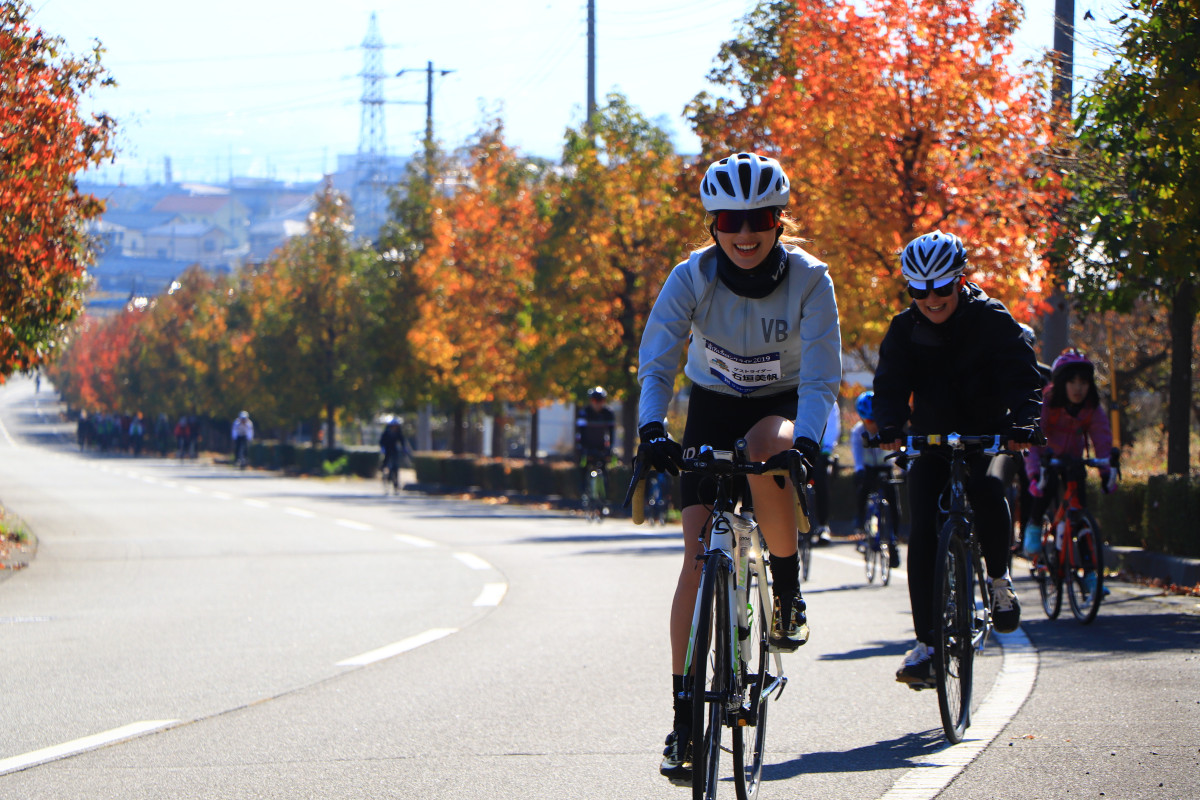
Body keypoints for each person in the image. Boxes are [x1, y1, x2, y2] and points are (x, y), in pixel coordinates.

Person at [633, 152, 841, 784]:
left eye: (759, 218)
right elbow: (659, 359)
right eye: (730, 220)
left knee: (767, 452)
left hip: (782, 406)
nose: (744, 233)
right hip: (712, 408)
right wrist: (650, 428)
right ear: (713, 223)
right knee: (697, 561)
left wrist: (806, 441)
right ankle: (682, 721)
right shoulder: (691, 276)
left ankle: (785, 585)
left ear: (780, 221)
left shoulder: (810, 278)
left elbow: (824, 375)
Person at [871, 230, 1043, 689]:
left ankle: (1000, 580)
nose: (931, 299)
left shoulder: (992, 319)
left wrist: (1024, 423)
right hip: (929, 438)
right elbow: (888, 383)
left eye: (941, 288)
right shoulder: (904, 328)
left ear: (960, 281)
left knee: (987, 489)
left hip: (989, 435)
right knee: (922, 527)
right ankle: (927, 644)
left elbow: (1023, 377)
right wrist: (888, 426)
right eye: (918, 290)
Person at [1022, 349, 1118, 579]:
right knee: (1047, 486)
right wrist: (1034, 472)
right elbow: (1034, 440)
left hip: (1074, 460)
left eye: (1083, 382)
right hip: (1048, 458)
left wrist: (1107, 471)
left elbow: (1102, 439)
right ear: (1062, 382)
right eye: (1072, 381)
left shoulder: (1091, 406)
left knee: (1080, 510)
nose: (1078, 388)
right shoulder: (1047, 400)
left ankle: (1091, 576)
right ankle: (1034, 525)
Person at [850, 390, 901, 567]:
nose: (873, 425)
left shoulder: (886, 428)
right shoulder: (857, 432)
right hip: (868, 467)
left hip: (886, 466)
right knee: (862, 489)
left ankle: (893, 541)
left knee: (894, 502)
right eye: (869, 421)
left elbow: (896, 451)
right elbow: (857, 454)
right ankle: (860, 522)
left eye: (875, 421)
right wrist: (859, 469)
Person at [575, 386, 616, 513]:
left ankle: (604, 500)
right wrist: (580, 447)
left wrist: (610, 449)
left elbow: (611, 433)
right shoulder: (584, 413)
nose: (597, 404)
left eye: (600, 401)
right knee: (583, 468)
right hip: (587, 446)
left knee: (604, 472)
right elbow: (579, 433)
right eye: (594, 401)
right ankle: (583, 493)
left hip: (601, 447)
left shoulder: (608, 413)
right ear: (590, 401)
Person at [808, 401, 840, 545]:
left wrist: (827, 451)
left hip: (820, 450)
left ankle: (823, 525)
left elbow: (833, 426)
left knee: (822, 481)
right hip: (798, 445)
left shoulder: (830, 402)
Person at [379, 416, 411, 488]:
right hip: (387, 450)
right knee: (385, 463)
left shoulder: (398, 433)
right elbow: (381, 442)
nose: (394, 427)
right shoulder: (386, 432)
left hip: (394, 450)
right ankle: (384, 473)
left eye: (396, 426)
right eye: (393, 426)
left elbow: (402, 441)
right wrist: (383, 448)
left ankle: (395, 483)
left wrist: (404, 448)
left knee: (395, 466)